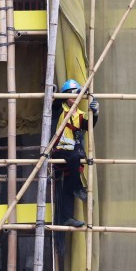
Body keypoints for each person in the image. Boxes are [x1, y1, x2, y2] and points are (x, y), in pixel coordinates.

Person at [51, 78, 99, 232]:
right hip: (58, 150)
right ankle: (79, 188)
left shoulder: (80, 114)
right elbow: (56, 104)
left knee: (68, 184)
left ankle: (67, 217)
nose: (74, 99)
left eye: (76, 96)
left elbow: (89, 125)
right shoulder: (60, 109)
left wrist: (95, 112)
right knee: (74, 160)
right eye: (71, 96)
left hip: (72, 155)